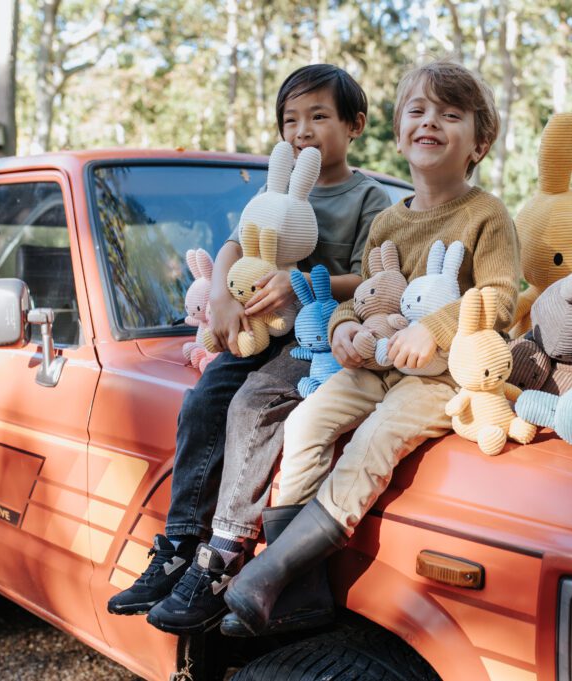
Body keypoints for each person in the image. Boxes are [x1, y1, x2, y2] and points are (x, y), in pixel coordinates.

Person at [219, 58, 522, 636]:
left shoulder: (487, 215)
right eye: (418, 110)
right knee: (306, 423)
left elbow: (502, 297)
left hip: (444, 375)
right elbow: (363, 297)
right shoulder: (387, 220)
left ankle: (271, 571)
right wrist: (346, 331)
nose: (430, 122)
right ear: (399, 129)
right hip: (376, 363)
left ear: (478, 141)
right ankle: (298, 596)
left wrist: (431, 329)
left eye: (450, 114)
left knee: (375, 438)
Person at [107, 64, 391, 634]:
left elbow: (372, 279)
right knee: (204, 400)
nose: (302, 130)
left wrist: (303, 280)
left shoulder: (369, 198)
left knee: (253, 405)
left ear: (354, 124)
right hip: (253, 330)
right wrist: (219, 294)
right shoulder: (272, 187)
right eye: (290, 120)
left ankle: (225, 553)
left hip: (318, 337)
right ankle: (180, 544)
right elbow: (236, 244)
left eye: (318, 116)